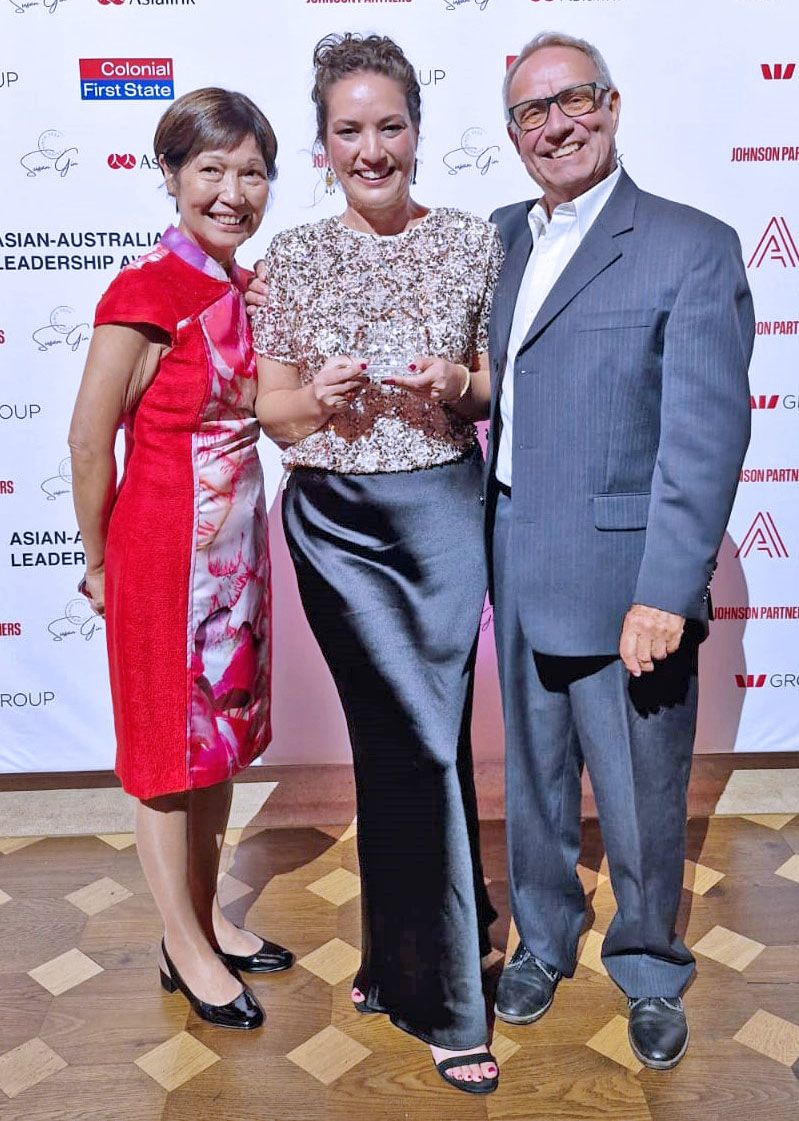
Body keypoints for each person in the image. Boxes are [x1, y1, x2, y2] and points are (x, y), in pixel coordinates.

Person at [486, 32, 754, 1069]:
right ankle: (543, 941)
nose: (556, 124)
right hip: (512, 549)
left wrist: (666, 591)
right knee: (535, 775)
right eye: (530, 113)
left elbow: (704, 435)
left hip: (625, 574)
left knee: (641, 794)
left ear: (611, 102)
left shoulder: (690, 244)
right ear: (512, 136)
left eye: (574, 100)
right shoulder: (500, 236)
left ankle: (646, 961)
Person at [250, 32, 502, 1094]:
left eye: (388, 126)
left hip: (445, 511)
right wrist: (323, 397)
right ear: (323, 144)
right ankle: (445, 993)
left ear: (415, 130)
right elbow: (271, 410)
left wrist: (457, 378)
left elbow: (491, 389)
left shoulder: (472, 241)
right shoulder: (294, 256)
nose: (372, 148)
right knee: (403, 738)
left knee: (425, 740)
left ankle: (398, 956)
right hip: (338, 526)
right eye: (348, 130)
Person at [68, 88, 294, 1031]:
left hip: (237, 556)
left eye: (251, 172)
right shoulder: (142, 292)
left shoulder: (249, 289)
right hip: (161, 556)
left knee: (218, 741)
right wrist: (97, 561)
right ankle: (184, 946)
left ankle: (203, 922)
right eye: (212, 169)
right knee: (166, 757)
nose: (233, 191)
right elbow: (90, 441)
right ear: (171, 176)